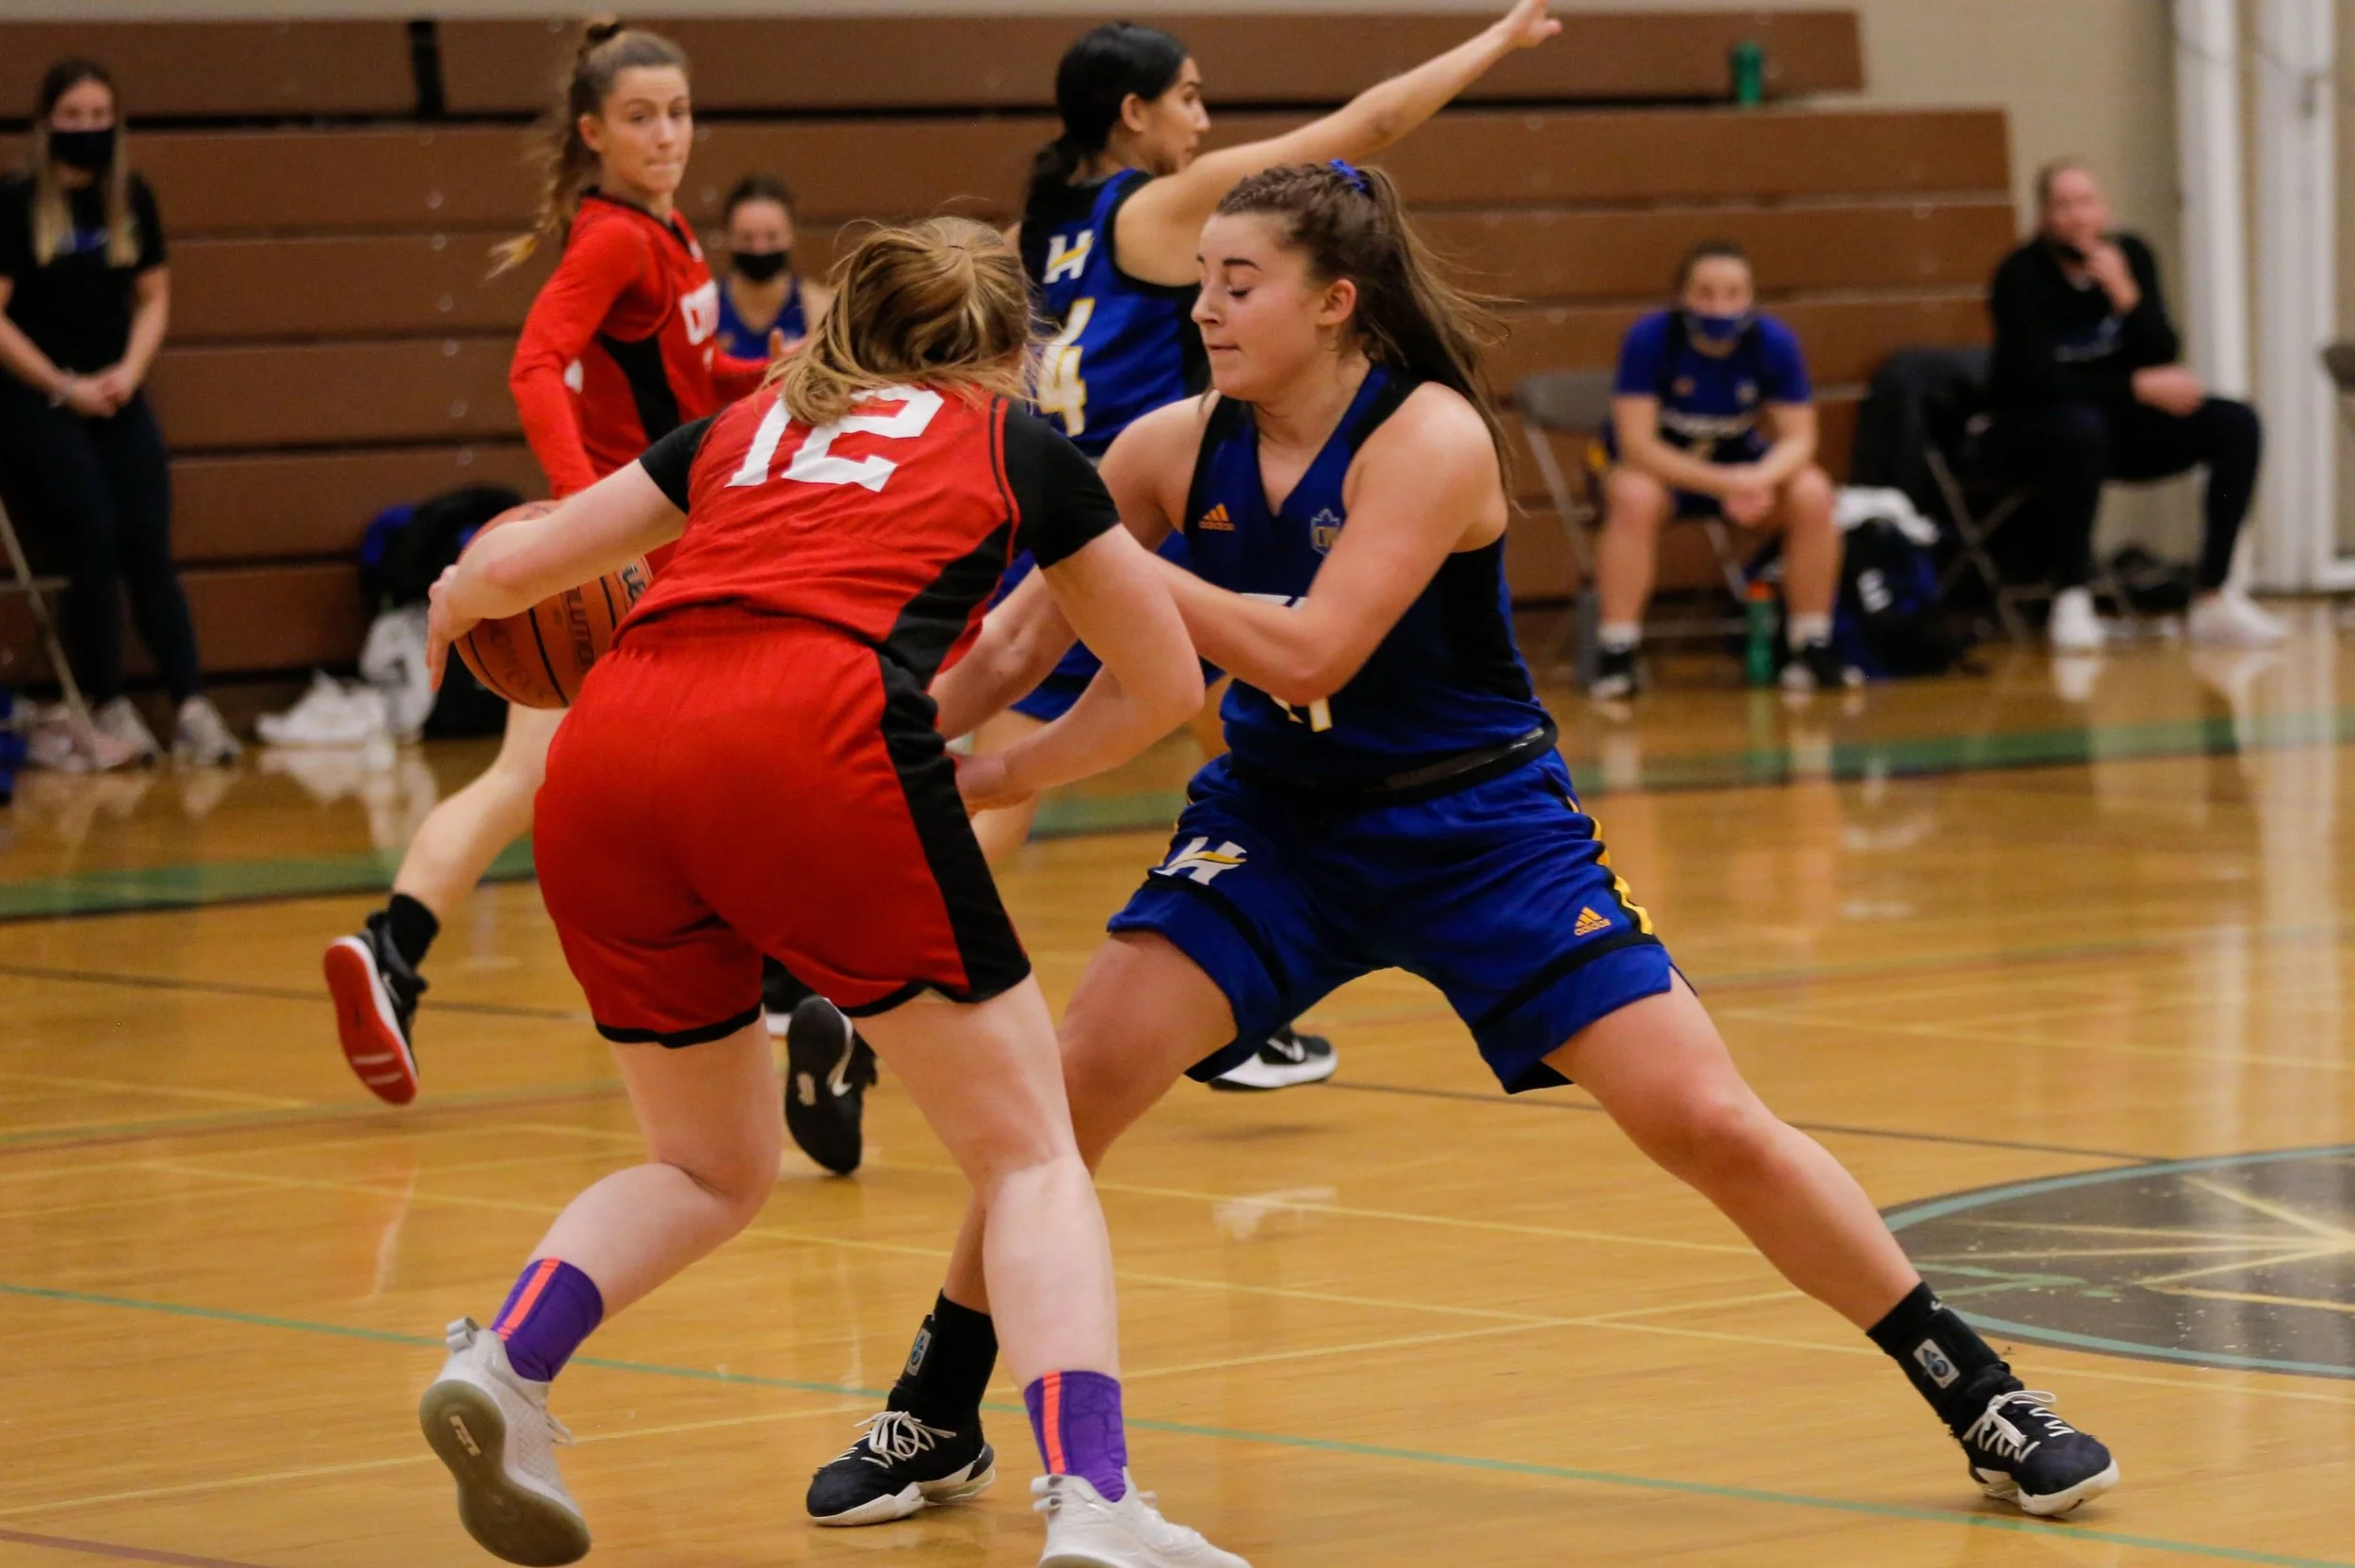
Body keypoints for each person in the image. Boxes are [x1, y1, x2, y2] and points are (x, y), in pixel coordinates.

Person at [807, 164, 2120, 1532]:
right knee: (1062, 1101)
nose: (1203, 307)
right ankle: (936, 1407)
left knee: (1709, 1121)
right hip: (1281, 822)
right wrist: (887, 738)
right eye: (1200, 281)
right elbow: (1020, 639)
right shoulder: (1164, 447)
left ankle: (1978, 1389)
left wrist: (1123, 573)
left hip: (1481, 829)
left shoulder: (1429, 438)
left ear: (1334, 302)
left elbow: (1313, 646)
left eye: (1236, 283)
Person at [413, 214, 1241, 1568]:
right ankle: (1096, 1509)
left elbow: (520, 563)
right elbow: (1158, 684)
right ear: (1001, 352)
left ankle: (507, 1362)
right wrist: (1003, 771)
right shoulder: (1014, 443)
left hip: (612, 754)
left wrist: (455, 600)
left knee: (704, 1162)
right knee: (1029, 1153)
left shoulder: (740, 428)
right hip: (814, 738)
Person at [966, 0, 1564, 1096]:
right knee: (1245, 719)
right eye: (1186, 96)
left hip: (1078, 514)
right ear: (1133, 112)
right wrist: (1496, 40)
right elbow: (1365, 130)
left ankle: (862, 973)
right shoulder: (1161, 210)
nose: (1200, 119)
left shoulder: (1034, 228)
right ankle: (1231, 971)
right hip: (1149, 505)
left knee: (1083, 736)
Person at [325, 21, 770, 1110]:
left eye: (677, 112)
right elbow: (537, 364)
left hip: (657, 535)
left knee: (529, 778)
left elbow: (691, 371)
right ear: (592, 131)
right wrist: (584, 516)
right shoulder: (614, 238)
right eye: (639, 118)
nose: (666, 134)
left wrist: (778, 372)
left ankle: (392, 950)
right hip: (639, 545)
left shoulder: (667, 231)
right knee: (743, 754)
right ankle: (791, 986)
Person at [0, 58, 239, 766]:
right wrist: (60, 385)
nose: (87, 129)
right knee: (94, 538)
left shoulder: (130, 196)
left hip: (116, 390)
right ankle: (108, 702)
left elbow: (154, 296)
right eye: (73, 117)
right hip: (40, 398)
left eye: (100, 116)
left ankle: (192, 706)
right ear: (47, 124)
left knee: (148, 540)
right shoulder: (15, 205)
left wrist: (127, 374)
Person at [1983, 159, 2282, 653]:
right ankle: (2072, 596)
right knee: (2079, 429)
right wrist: (2134, 388)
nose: (2079, 216)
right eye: (2064, 205)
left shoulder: (2131, 257)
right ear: (2043, 217)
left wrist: (2126, 295)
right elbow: (2034, 380)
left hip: (2114, 429)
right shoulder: (2019, 275)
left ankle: (2214, 593)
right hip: (2033, 428)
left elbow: (2162, 353)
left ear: (2104, 209)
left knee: (2236, 422)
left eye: (2088, 202)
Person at [1590, 241, 1853, 700]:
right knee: (1634, 496)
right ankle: (1617, 652)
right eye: (1705, 293)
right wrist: (1725, 482)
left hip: (1738, 470)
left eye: (1733, 293)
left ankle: (1811, 643)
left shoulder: (1774, 341)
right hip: (1664, 470)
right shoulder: (1649, 338)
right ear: (1681, 297)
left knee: (1812, 490)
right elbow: (1637, 445)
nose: (1719, 305)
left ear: (1751, 297)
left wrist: (1759, 478)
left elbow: (1800, 439)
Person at [711, 172, 831, 360]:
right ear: (728, 236)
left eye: (772, 237)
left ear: (791, 234)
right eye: (747, 238)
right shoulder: (707, 309)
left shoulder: (820, 309)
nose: (759, 249)